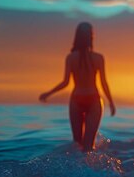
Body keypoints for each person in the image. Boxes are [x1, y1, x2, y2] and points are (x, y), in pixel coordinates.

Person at [39, 22, 116, 152]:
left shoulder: (71, 58)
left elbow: (65, 82)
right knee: (88, 146)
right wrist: (111, 102)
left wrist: (48, 93)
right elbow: (104, 82)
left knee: (77, 144)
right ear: (91, 37)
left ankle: (76, 170)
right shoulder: (98, 58)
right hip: (94, 99)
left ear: (77, 37)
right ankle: (89, 171)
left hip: (76, 100)